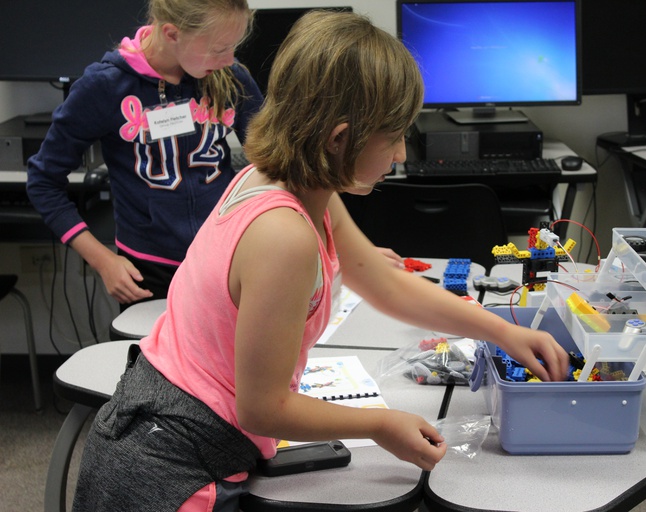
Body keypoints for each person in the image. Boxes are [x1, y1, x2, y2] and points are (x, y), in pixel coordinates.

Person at [71, 10, 570, 511]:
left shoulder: (290, 180)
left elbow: (382, 282)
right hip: (168, 469)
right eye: (394, 136)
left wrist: (503, 330)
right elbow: (263, 408)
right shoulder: (283, 236)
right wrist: (379, 424)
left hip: (172, 428)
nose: (400, 153)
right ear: (340, 138)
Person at [26, 0, 263, 307]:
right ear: (171, 34)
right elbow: (43, 182)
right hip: (149, 273)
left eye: (233, 46)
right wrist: (103, 261)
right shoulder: (105, 86)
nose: (229, 59)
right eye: (218, 48)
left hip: (226, 260)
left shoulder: (231, 78)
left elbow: (274, 163)